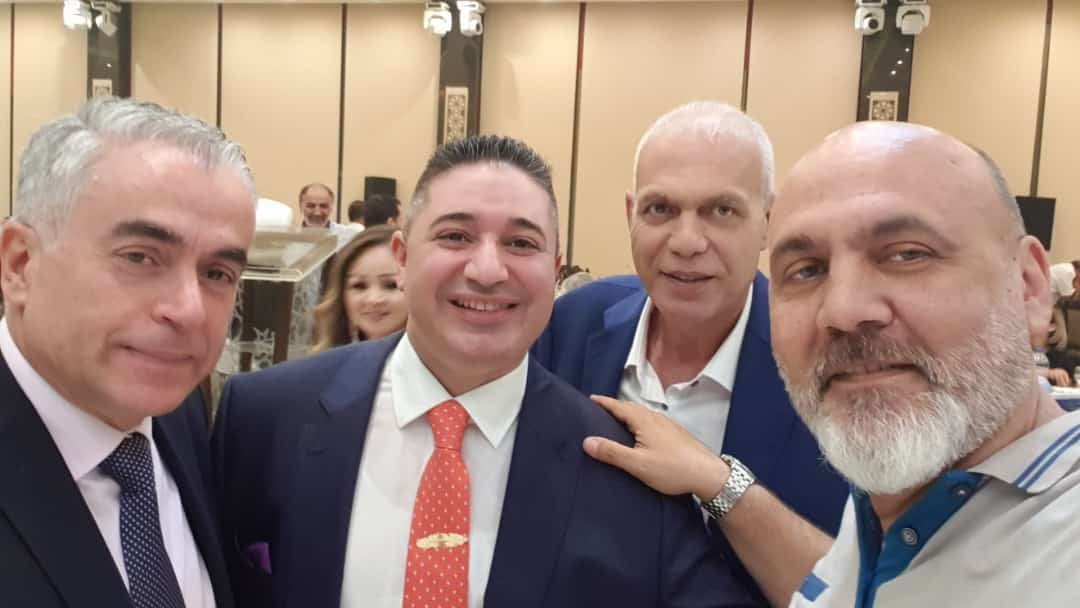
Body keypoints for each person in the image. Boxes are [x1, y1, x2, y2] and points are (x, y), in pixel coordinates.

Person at [213, 135, 755, 608]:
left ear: (555, 271)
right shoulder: (266, 418)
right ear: (401, 256)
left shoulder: (625, 473)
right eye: (455, 236)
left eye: (521, 243)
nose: (488, 270)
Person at [584, 121, 1080, 607]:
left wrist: (719, 483)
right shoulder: (879, 511)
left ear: (1029, 286)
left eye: (906, 255)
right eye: (807, 270)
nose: (843, 310)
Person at [533, 101, 847, 606]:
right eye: (660, 209)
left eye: (721, 211)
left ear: (768, 223)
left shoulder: (831, 360)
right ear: (631, 215)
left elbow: (852, 589)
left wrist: (719, 485)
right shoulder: (570, 325)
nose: (686, 242)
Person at [0, 97, 255, 607]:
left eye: (217, 273)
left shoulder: (178, 408)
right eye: (139, 257)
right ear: (20, 264)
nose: (189, 311)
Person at [311, 225, 407, 352]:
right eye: (359, 286)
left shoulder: (431, 361)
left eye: (391, 285)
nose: (373, 299)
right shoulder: (326, 361)